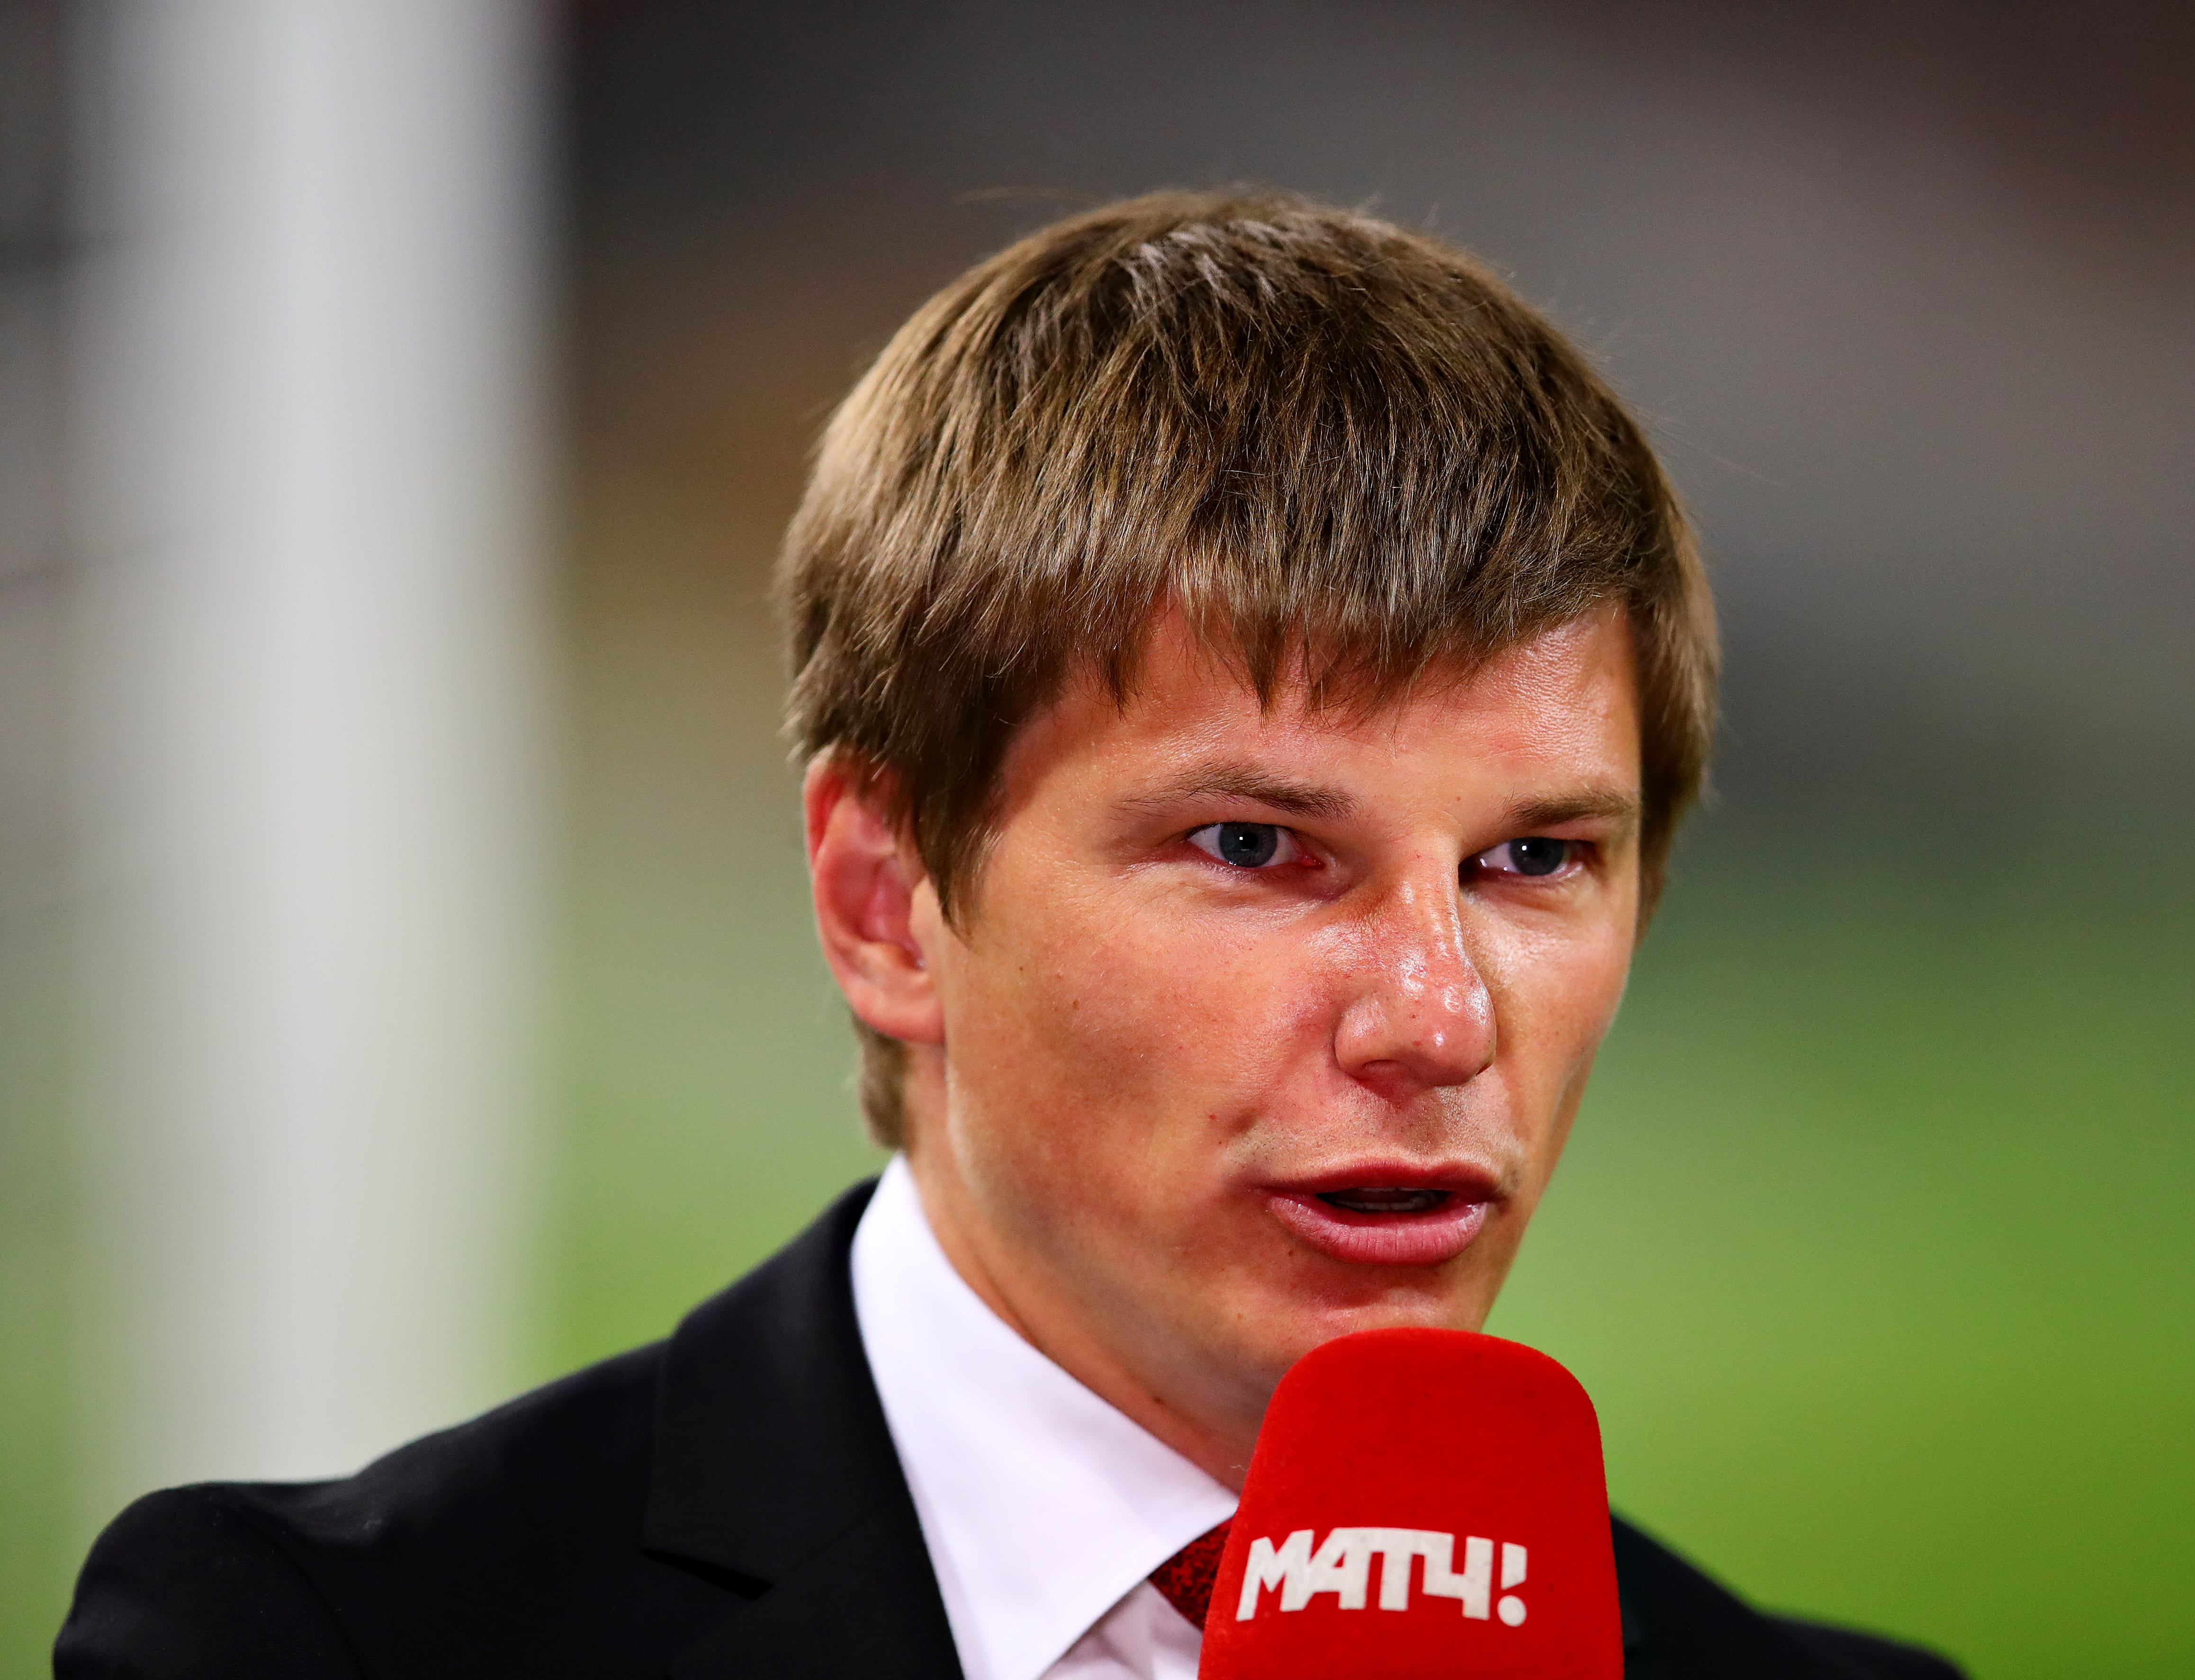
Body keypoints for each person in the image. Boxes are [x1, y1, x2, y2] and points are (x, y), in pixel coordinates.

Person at [57, 190, 1962, 1680]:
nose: (1433, 1014)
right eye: (1256, 844)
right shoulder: (322, 1645)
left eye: (1532, 859)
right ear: (883, 899)